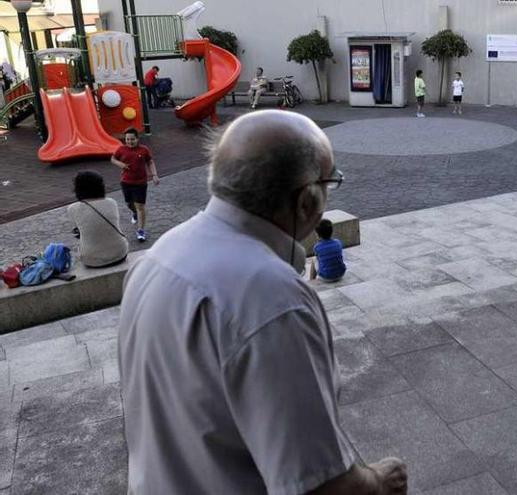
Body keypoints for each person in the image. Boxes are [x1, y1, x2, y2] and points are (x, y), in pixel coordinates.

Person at [118, 110, 407, 494]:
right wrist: (378, 482)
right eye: (328, 184)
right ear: (306, 201)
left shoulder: (158, 256)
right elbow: (318, 485)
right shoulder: (272, 299)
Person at [67, 171, 128, 268]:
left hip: (91, 260)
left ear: (77, 189)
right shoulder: (112, 202)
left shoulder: (72, 208)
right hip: (120, 254)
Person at [110, 128, 159, 242]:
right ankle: (134, 213)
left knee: (140, 207)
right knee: (129, 204)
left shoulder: (144, 150)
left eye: (132, 139)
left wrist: (154, 175)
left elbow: (150, 162)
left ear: (137, 139)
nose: (130, 141)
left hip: (140, 183)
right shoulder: (121, 149)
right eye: (127, 139)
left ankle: (141, 230)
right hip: (126, 182)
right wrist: (120, 164)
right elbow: (112, 159)